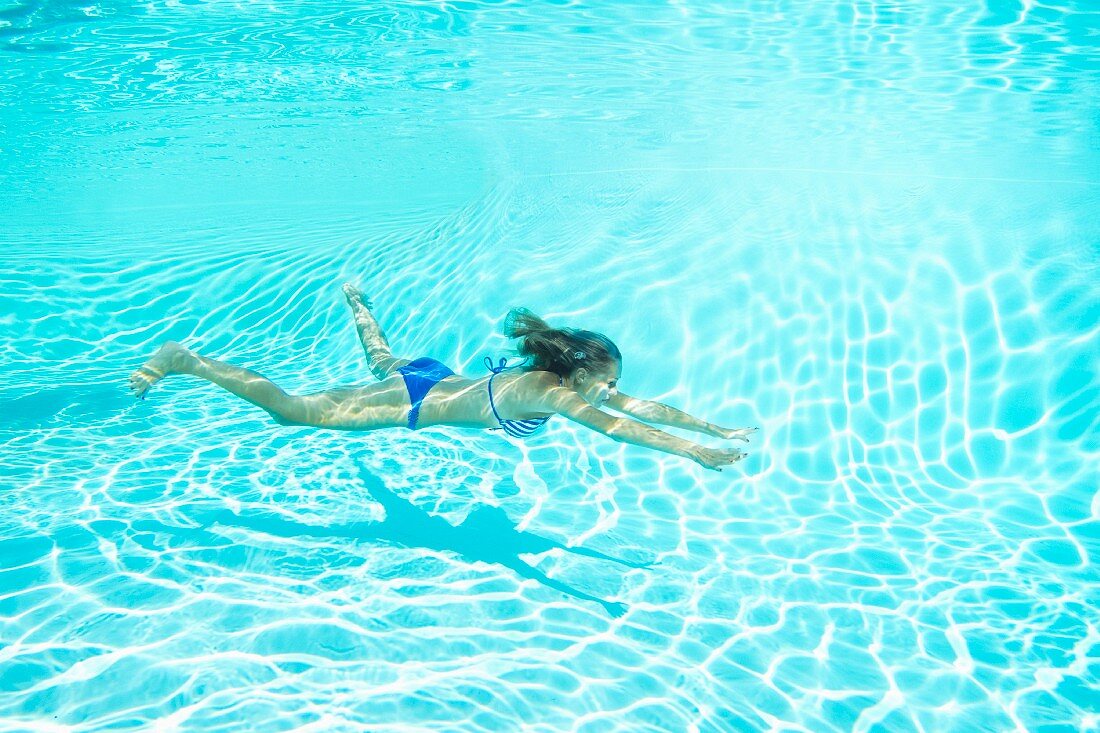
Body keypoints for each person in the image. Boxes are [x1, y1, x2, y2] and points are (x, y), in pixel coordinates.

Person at [129, 283, 756, 471]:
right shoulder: (552, 392)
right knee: (294, 411)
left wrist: (711, 425)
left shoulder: (551, 374)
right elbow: (618, 428)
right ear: (577, 375)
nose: (611, 392)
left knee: (380, 359)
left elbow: (641, 406)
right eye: (607, 381)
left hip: (437, 376)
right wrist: (696, 452)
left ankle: (358, 306)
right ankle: (188, 361)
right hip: (418, 398)